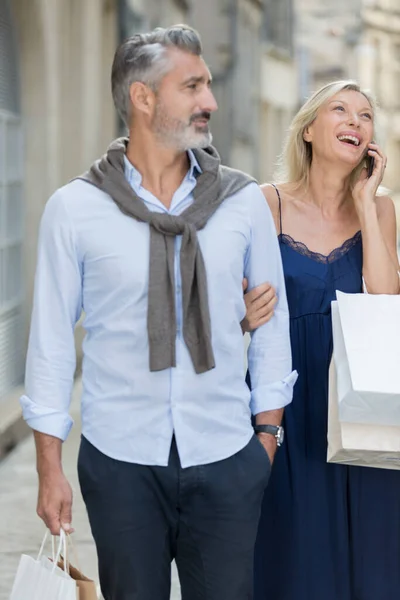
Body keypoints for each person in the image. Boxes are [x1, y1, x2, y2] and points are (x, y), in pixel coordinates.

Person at [20, 25, 296, 600]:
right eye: (192, 86)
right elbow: (49, 342)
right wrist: (51, 469)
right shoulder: (75, 209)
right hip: (120, 457)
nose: (210, 102)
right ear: (143, 98)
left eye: (210, 85)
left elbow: (272, 327)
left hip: (224, 453)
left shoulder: (241, 201)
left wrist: (263, 442)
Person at [244, 80, 400, 600]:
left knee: (372, 558)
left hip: (362, 406)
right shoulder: (266, 204)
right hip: (287, 401)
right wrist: (240, 315)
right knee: (293, 555)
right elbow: (232, 306)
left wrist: (366, 200)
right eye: (340, 109)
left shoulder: (380, 210)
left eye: (365, 114)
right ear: (309, 130)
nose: (356, 120)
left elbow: (383, 299)